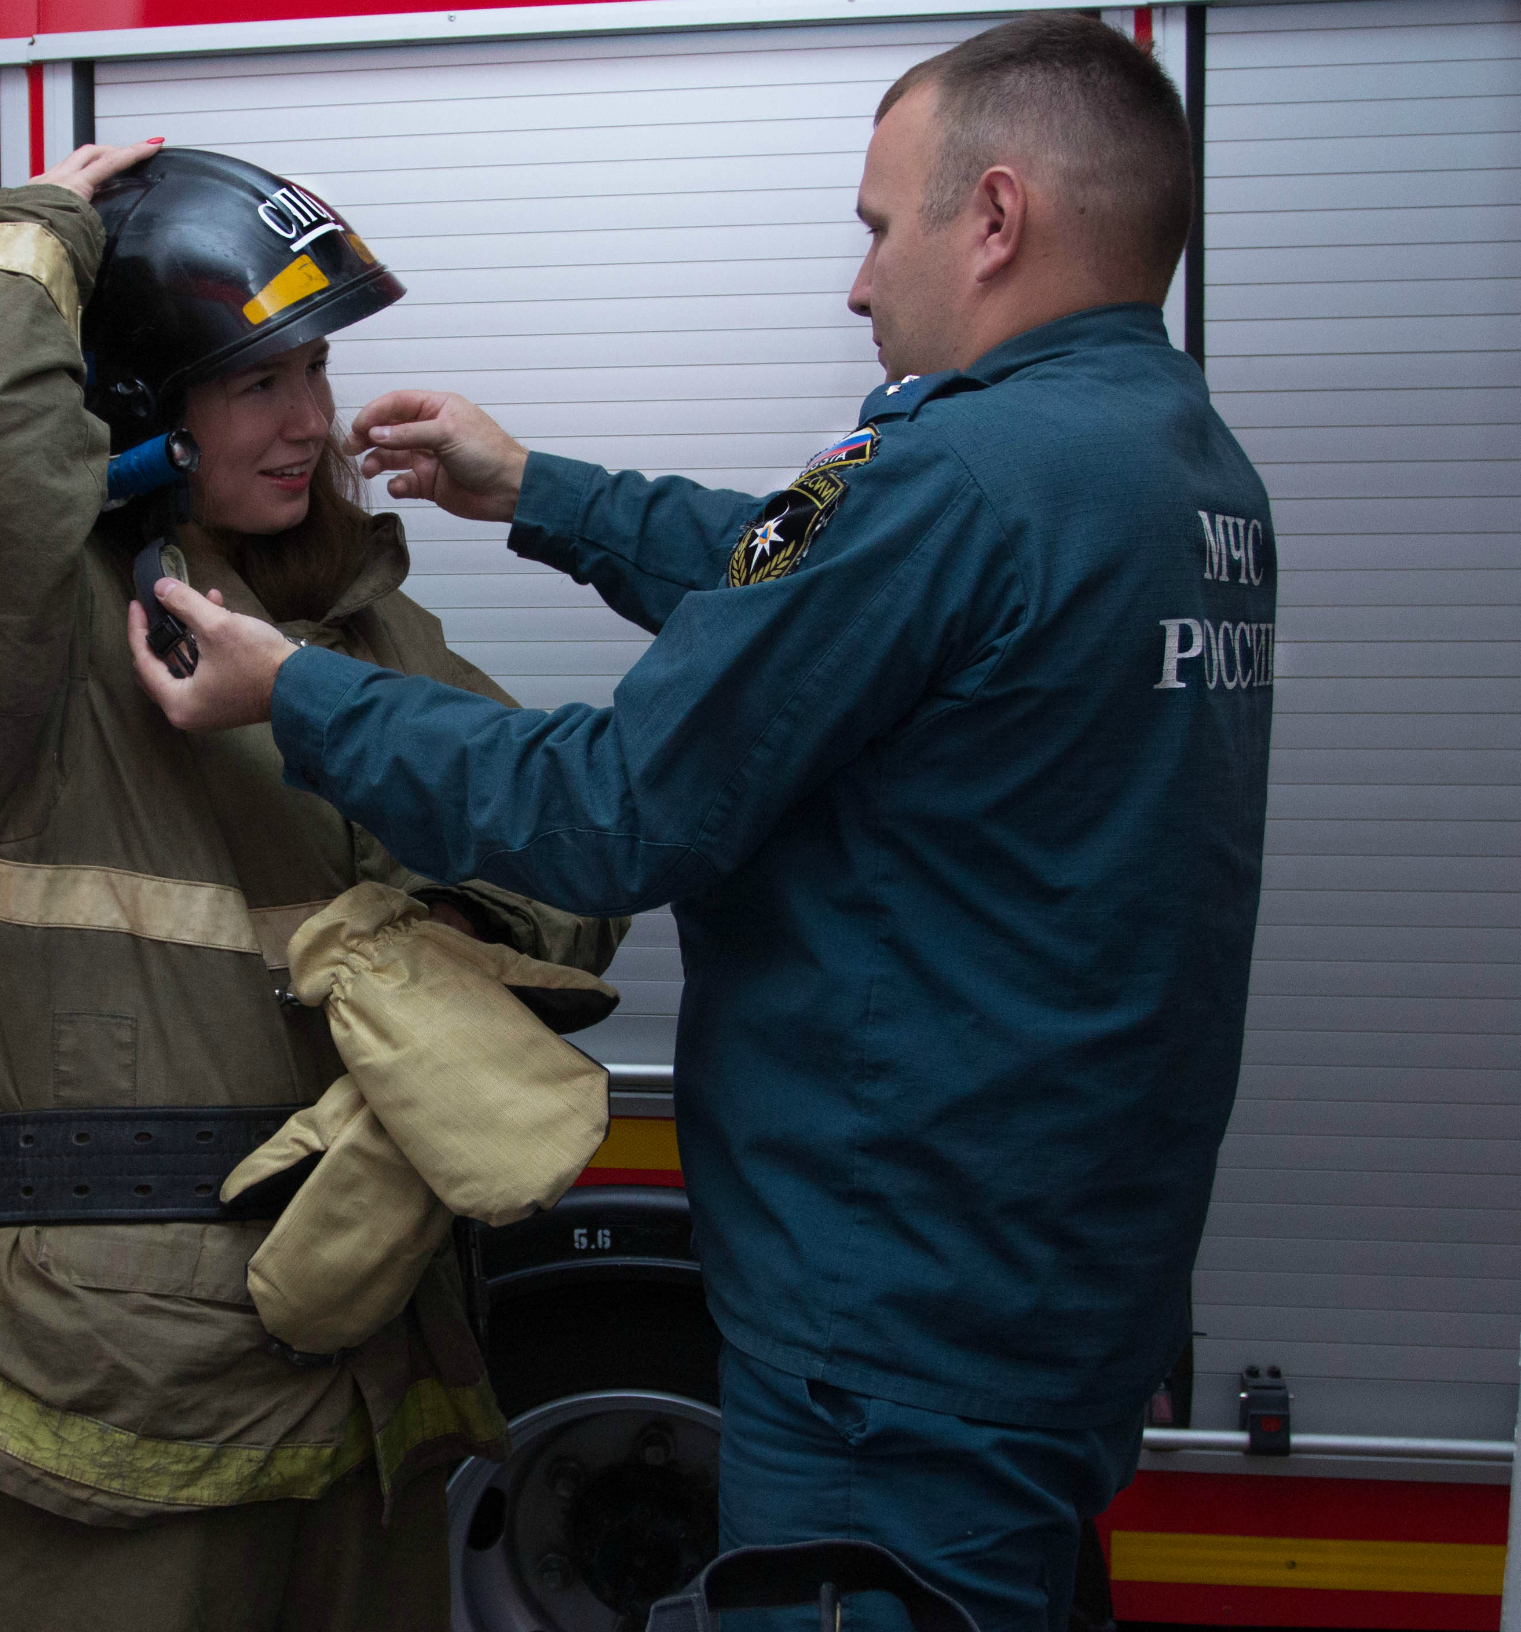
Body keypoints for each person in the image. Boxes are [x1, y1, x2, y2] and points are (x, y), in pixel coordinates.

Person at [127, 15, 1275, 1631]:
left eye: (880, 228)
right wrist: (533, 488)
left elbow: (609, 812)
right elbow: (794, 572)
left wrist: (296, 700)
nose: (858, 284)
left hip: (897, 1341)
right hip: (1048, 1296)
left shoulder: (953, 478)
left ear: (996, 218)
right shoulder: (1166, 461)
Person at [0, 140, 621, 1630]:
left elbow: (568, 842)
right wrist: (29, 231)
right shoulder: (32, 642)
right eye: (258, 382)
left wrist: (431, 954)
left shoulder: (359, 630)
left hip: (365, 1380)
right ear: (138, 402)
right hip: (121, 1404)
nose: (311, 421)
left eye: (312, 374)